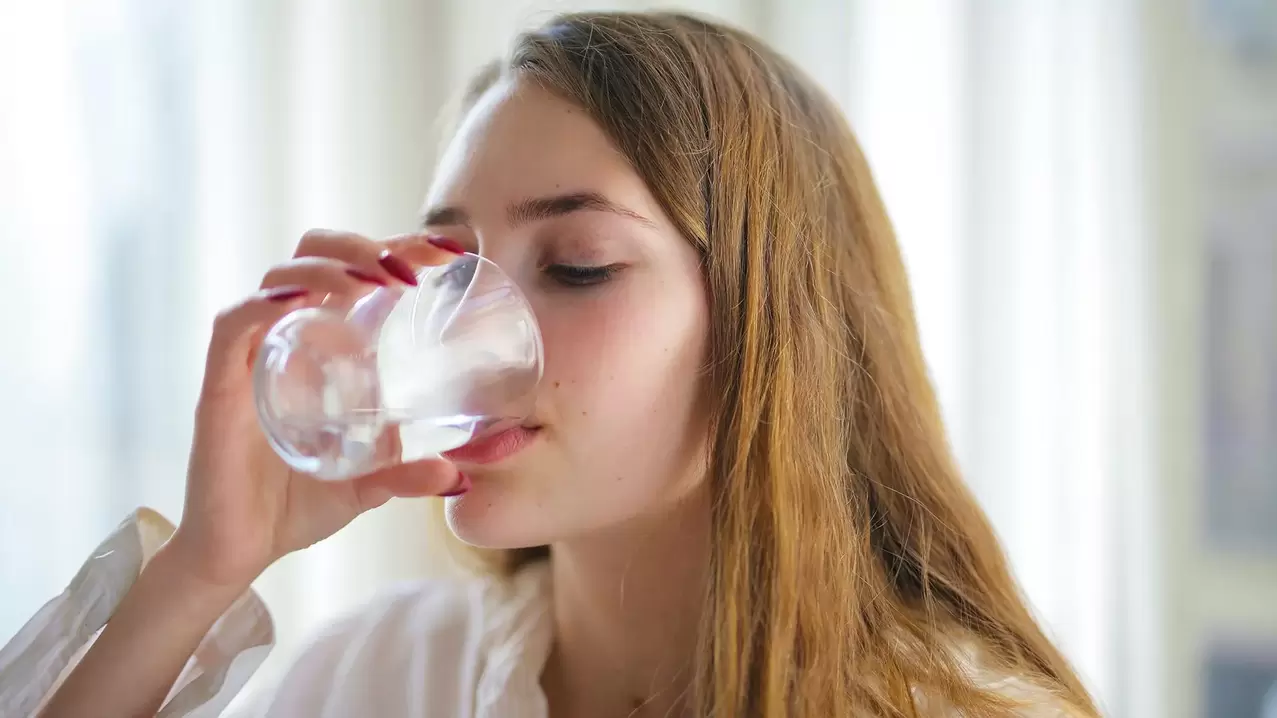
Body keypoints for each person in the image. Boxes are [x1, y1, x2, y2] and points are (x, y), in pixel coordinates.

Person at [1, 10, 1101, 718]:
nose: (464, 334)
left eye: (574, 265)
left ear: (770, 328)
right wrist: (201, 570)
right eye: (446, 268)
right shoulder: (387, 676)